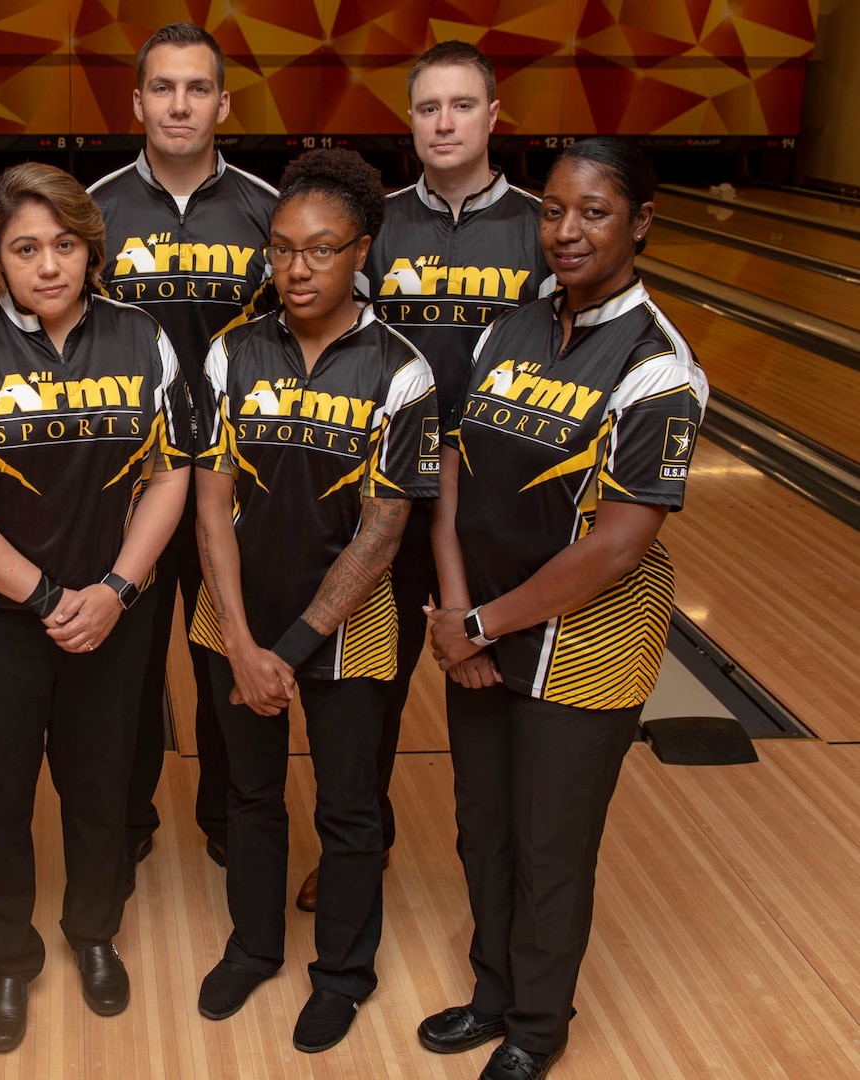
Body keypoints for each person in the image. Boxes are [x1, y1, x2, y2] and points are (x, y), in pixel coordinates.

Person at [418, 138, 706, 1080]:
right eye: (552, 209)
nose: (566, 230)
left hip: (585, 643)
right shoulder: (511, 327)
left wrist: (483, 625)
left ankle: (538, 1026)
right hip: (481, 625)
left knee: (549, 842)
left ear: (639, 224)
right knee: (483, 826)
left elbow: (620, 543)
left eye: (592, 212)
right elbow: (455, 466)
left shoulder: (657, 365)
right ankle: (490, 992)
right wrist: (457, 606)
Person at [0, 162, 190, 1052]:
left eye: (65, 244)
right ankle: (7, 958)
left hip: (111, 611)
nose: (49, 264)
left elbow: (170, 472)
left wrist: (114, 591)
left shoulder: (144, 340)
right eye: (26, 247)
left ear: (89, 250)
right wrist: (46, 596)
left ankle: (93, 934)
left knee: (101, 789)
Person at [294, 40, 554, 914]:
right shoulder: (377, 226)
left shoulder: (537, 225)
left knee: (501, 693)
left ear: (492, 117)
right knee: (366, 692)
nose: (444, 123)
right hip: (380, 497)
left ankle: (514, 869)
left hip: (497, 509)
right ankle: (354, 850)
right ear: (408, 121)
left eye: (461, 106)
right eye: (428, 108)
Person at [190, 150, 439, 1052]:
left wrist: (284, 650)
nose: (296, 269)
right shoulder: (231, 352)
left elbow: (384, 530)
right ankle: (253, 946)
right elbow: (209, 502)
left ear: (360, 252)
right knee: (250, 795)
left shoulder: (399, 370)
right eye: (282, 249)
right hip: (237, 615)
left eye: (321, 250)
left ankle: (341, 971)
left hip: (347, 626)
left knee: (347, 809)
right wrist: (241, 637)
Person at [88, 21, 278, 877]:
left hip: (236, 485)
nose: (178, 103)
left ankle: (231, 820)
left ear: (221, 103)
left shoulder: (266, 210)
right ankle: (123, 822)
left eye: (196, 88)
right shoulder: (91, 211)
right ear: (136, 101)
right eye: (162, 87)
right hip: (125, 486)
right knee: (120, 671)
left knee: (222, 658)